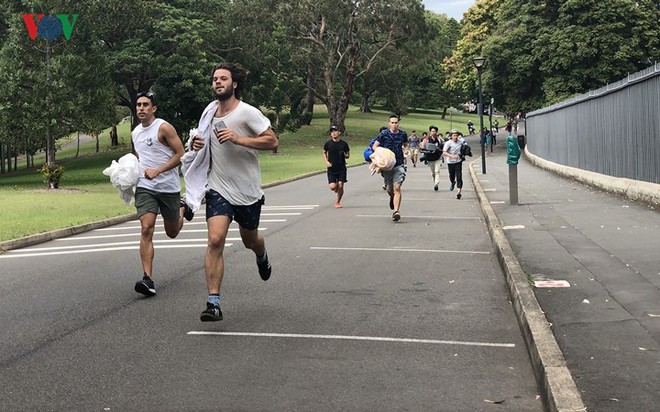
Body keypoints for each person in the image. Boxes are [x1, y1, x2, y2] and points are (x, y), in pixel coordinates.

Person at [185, 63, 279, 321]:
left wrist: (239, 138)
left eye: (223, 78)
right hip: (218, 188)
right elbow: (200, 143)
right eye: (215, 79)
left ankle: (261, 254)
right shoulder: (208, 113)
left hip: (247, 190)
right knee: (215, 240)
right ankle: (213, 302)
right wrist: (194, 143)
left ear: (234, 83)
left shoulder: (247, 113)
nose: (218, 82)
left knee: (251, 240)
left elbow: (272, 141)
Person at [131, 91, 193, 297]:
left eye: (145, 105)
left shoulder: (164, 128)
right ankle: (147, 278)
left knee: (172, 232)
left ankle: (182, 207)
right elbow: (141, 157)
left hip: (168, 187)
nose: (141, 108)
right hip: (145, 187)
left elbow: (181, 155)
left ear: (153, 108)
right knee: (146, 228)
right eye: (138, 104)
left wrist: (158, 170)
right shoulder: (135, 133)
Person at [372, 114, 408, 222]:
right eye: (392, 122)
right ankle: (392, 197)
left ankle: (396, 211)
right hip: (387, 166)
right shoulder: (384, 134)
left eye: (396, 122)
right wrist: (379, 156)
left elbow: (406, 144)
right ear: (389, 123)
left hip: (398, 164)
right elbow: (375, 146)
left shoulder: (402, 134)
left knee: (397, 187)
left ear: (398, 123)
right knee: (389, 189)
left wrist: (406, 150)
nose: (394, 124)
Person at [323, 125, 350, 208]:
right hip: (331, 168)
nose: (333, 133)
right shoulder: (328, 144)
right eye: (332, 132)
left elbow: (348, 154)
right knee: (332, 187)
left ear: (339, 132)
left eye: (335, 131)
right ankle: (336, 186)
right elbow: (324, 152)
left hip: (341, 168)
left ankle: (338, 201)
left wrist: (345, 155)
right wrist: (326, 162)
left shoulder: (344, 144)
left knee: (341, 185)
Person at [443, 129, 465, 200]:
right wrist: (451, 156)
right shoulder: (448, 143)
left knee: (459, 176)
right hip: (450, 162)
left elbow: (464, 149)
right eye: (454, 135)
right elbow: (444, 152)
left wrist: (465, 153)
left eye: (457, 135)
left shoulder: (461, 142)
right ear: (451, 136)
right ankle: (452, 182)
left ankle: (459, 192)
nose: (455, 137)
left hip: (458, 161)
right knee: (451, 176)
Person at [421, 126, 443, 191]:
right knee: (433, 173)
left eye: (434, 131)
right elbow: (422, 148)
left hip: (438, 158)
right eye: (432, 131)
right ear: (430, 132)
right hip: (430, 158)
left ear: (436, 132)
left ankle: (436, 183)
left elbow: (443, 148)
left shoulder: (440, 140)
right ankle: (435, 181)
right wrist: (424, 156)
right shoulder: (426, 140)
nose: (433, 132)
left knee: (437, 171)